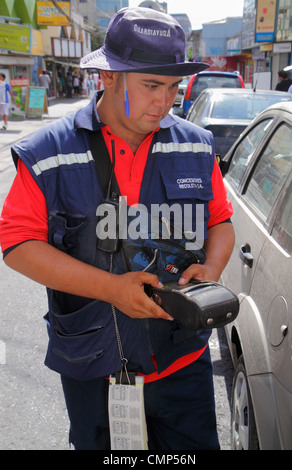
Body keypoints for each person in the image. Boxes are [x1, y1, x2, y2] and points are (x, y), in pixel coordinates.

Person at [0, 7, 235, 450]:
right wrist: (111, 288)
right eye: (150, 86)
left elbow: (220, 223)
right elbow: (17, 243)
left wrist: (212, 267)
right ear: (108, 77)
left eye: (172, 88)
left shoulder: (196, 147)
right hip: (92, 367)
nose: (164, 102)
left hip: (183, 363)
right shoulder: (46, 152)